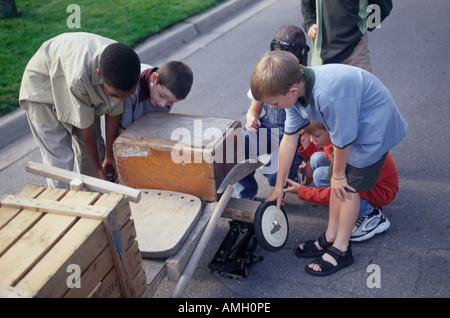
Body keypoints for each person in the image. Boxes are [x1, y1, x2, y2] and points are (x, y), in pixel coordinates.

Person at [250, 50, 407, 276]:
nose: (272, 108)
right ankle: (331, 235)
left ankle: (342, 248)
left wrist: (340, 174)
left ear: (292, 90)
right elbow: (289, 139)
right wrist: (278, 187)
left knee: (347, 185)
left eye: (274, 103)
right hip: (350, 125)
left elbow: (343, 140)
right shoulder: (295, 96)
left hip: (373, 126)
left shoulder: (328, 95)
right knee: (337, 177)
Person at [19, 32, 140, 188]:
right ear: (99, 75)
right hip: (43, 92)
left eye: (127, 95)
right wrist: (97, 168)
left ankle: (96, 202)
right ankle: (62, 206)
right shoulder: (80, 78)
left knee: (95, 153)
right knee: (60, 161)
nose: (122, 100)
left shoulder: (121, 63)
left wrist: (110, 156)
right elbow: (86, 128)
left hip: (73, 85)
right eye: (115, 95)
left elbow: (114, 112)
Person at [284, 120, 399, 242]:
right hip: (374, 179)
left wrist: (302, 191)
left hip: (381, 190)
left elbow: (337, 190)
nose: (313, 140)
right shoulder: (338, 137)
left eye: (316, 136)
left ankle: (370, 214)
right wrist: (307, 145)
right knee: (316, 160)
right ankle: (359, 206)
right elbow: (324, 153)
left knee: (323, 177)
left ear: (330, 130)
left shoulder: (346, 149)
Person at [235, 24, 309, 200]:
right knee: (238, 143)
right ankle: (245, 195)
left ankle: (287, 175)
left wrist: (306, 135)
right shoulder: (267, 75)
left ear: (298, 58)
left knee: (275, 177)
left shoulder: (304, 81)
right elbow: (254, 109)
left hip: (293, 138)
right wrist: (251, 118)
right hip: (269, 129)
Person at [301, 0, 392, 72]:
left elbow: (384, 7)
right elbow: (307, 4)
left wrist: (365, 26)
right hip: (324, 53)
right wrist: (309, 23)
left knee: (362, 92)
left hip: (354, 49)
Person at [120, 61, 194, 130]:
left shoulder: (168, 93)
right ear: (154, 78)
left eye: (171, 102)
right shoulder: (131, 87)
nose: (162, 104)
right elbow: (125, 130)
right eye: (162, 96)